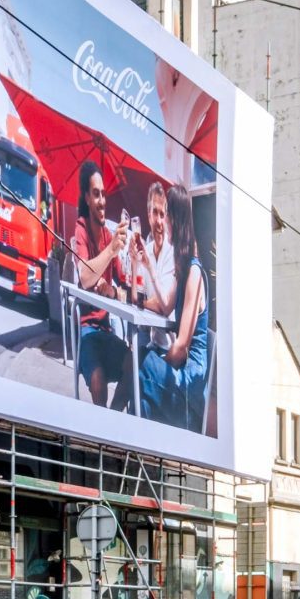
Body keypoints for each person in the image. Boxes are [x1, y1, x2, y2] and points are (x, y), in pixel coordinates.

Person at [138, 184, 209, 431]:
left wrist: (154, 367)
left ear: (174, 219)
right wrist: (148, 266)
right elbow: (166, 305)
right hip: (180, 376)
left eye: (166, 214)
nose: (162, 221)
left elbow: (180, 348)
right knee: (145, 400)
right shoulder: (183, 267)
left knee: (141, 362)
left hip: (190, 385)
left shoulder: (194, 273)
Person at [69, 161, 131, 408]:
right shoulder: (81, 228)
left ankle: (112, 421)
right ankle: (102, 431)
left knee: (134, 364)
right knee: (98, 378)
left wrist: (113, 290)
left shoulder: (108, 234)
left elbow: (125, 289)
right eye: (96, 194)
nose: (102, 200)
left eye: (103, 194)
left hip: (106, 330)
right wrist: (111, 250)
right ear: (86, 197)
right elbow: (84, 276)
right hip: (86, 332)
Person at [128, 181, 177, 347]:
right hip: (148, 336)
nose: (159, 221)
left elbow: (162, 305)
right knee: (126, 359)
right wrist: (134, 263)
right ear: (148, 215)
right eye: (155, 213)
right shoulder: (145, 250)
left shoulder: (172, 254)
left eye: (162, 214)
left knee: (131, 365)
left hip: (167, 343)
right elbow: (134, 296)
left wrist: (141, 303)